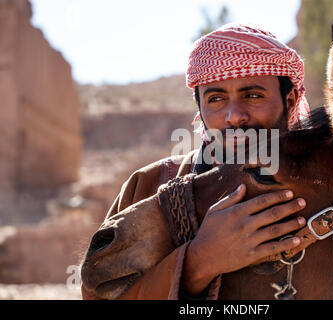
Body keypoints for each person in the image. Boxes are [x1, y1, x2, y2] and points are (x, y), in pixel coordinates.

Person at [81, 23, 310, 300]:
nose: (234, 116)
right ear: (200, 109)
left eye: (253, 96)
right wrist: (199, 263)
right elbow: (97, 292)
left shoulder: (324, 188)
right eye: (216, 99)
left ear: (290, 99)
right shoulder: (148, 185)